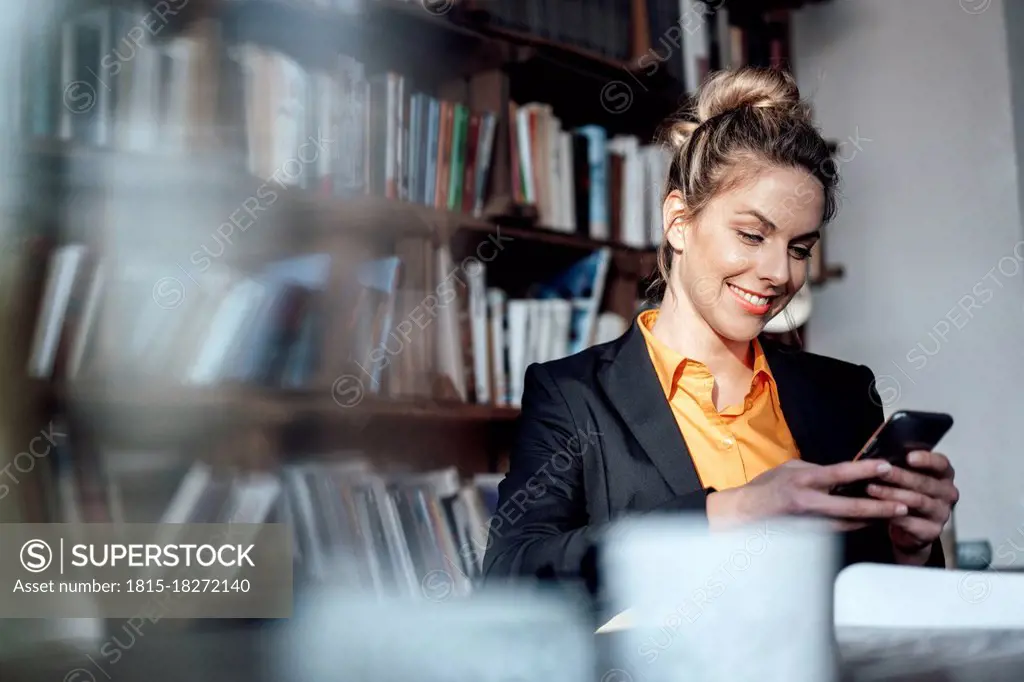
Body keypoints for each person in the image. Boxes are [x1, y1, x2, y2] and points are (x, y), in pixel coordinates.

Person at [481, 67, 959, 585]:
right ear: (679, 222)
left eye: (800, 249)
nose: (780, 273)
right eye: (753, 235)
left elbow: (886, 602)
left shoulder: (843, 394)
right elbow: (513, 575)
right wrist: (734, 511)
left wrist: (910, 546)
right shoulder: (572, 397)